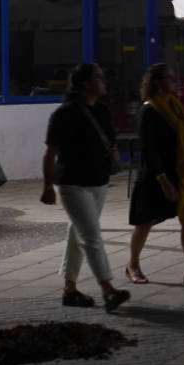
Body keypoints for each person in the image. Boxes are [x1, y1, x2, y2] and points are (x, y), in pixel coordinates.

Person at [39, 62, 131, 311]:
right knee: (91, 236)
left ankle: (70, 290)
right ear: (86, 84)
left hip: (98, 182)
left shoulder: (102, 111)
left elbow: (110, 143)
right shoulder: (64, 114)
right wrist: (48, 187)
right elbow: (50, 154)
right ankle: (108, 289)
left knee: (77, 232)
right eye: (99, 78)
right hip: (72, 183)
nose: (104, 82)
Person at [126, 64, 184, 289]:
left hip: (181, 175)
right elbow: (150, 150)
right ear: (155, 82)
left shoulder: (175, 107)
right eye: (170, 78)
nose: (176, 82)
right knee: (146, 222)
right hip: (156, 176)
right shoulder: (149, 110)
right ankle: (132, 265)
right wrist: (163, 180)